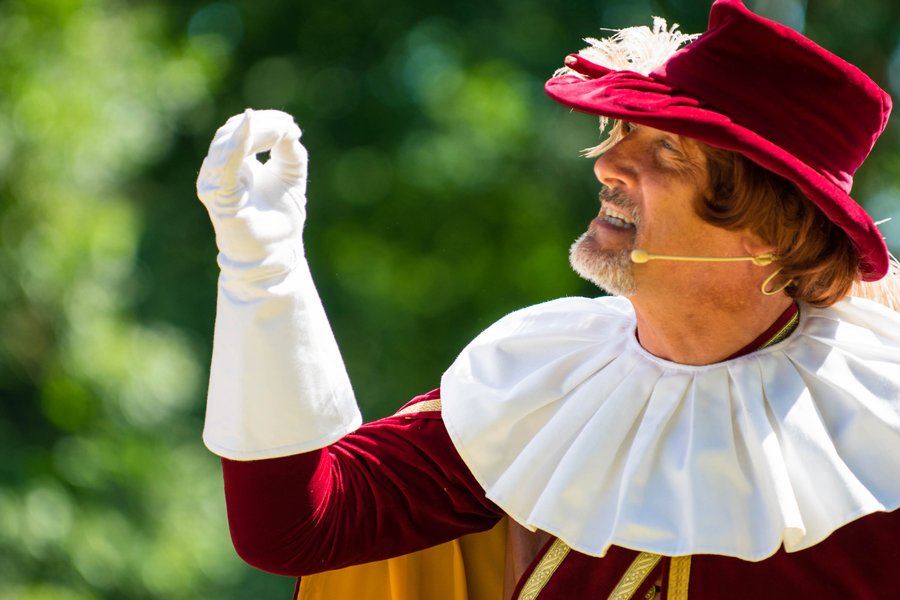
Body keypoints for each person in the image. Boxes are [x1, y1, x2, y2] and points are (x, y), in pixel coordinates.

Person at [195, 0, 900, 597]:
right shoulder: (544, 383)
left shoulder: (878, 452)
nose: (611, 164)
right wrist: (265, 273)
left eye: (667, 153)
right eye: (626, 133)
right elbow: (299, 527)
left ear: (770, 233)